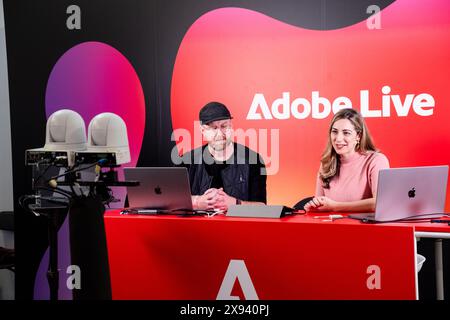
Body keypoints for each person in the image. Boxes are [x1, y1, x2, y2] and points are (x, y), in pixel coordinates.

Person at [179, 101, 267, 211]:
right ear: (202, 130)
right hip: (197, 228)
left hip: (238, 227)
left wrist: (236, 204)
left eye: (224, 126)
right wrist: (197, 202)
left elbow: (262, 208)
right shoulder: (186, 161)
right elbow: (171, 201)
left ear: (231, 126)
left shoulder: (253, 160)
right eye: (213, 128)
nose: (220, 134)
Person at [304, 108, 389, 212]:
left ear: (358, 136)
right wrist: (314, 207)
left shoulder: (376, 160)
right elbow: (320, 205)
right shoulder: (326, 163)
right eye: (334, 132)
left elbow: (382, 202)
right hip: (333, 226)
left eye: (346, 133)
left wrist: (335, 206)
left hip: (364, 227)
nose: (338, 139)